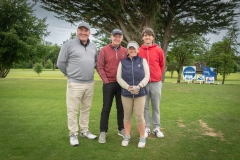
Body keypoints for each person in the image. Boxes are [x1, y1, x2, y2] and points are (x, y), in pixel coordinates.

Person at [57, 22, 97, 146]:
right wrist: (70, 74)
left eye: (86, 30)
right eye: (81, 30)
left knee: (86, 109)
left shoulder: (93, 46)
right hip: (75, 83)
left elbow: (95, 62)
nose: (83, 33)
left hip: (90, 83)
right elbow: (60, 63)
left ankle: (84, 130)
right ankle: (73, 133)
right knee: (73, 110)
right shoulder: (68, 45)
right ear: (77, 31)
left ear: (89, 32)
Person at [116, 41, 150, 148]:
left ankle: (142, 137)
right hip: (126, 93)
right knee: (127, 116)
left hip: (140, 93)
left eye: (134, 48)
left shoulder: (142, 60)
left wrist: (139, 86)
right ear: (127, 51)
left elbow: (147, 76)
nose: (132, 50)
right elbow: (119, 77)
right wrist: (128, 87)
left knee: (139, 116)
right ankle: (127, 136)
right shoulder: (122, 62)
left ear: (138, 50)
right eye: (130, 48)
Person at [97, 28, 127, 143]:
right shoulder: (104, 50)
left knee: (121, 108)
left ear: (122, 38)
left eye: (119, 36)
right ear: (111, 37)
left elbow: (127, 66)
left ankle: (121, 129)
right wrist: (106, 81)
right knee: (106, 108)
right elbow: (100, 67)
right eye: (115, 36)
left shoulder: (125, 51)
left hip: (121, 84)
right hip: (108, 83)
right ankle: (103, 131)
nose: (117, 38)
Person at [138, 27, 165, 138]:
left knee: (156, 106)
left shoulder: (158, 50)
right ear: (142, 37)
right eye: (145, 35)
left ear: (153, 37)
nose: (147, 37)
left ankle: (156, 128)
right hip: (143, 83)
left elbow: (162, 65)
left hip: (156, 82)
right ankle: (147, 128)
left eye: (149, 35)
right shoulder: (139, 50)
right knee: (145, 107)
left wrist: (157, 75)